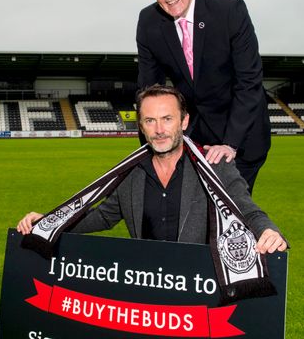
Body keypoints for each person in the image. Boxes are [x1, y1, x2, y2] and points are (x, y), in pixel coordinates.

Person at [17, 85, 286, 254]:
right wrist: (51, 220)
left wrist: (268, 231)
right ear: (141, 127)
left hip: (201, 288)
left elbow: (246, 208)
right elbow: (102, 217)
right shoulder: (130, 173)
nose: (159, 130)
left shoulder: (215, 164)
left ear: (184, 121)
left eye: (167, 119)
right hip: (150, 287)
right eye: (150, 121)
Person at [136, 0, 271, 194]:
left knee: (228, 218)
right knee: (189, 217)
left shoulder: (230, 9)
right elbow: (149, 92)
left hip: (242, 135)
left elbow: (249, 81)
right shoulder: (148, 22)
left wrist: (230, 144)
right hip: (195, 136)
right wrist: (150, 148)